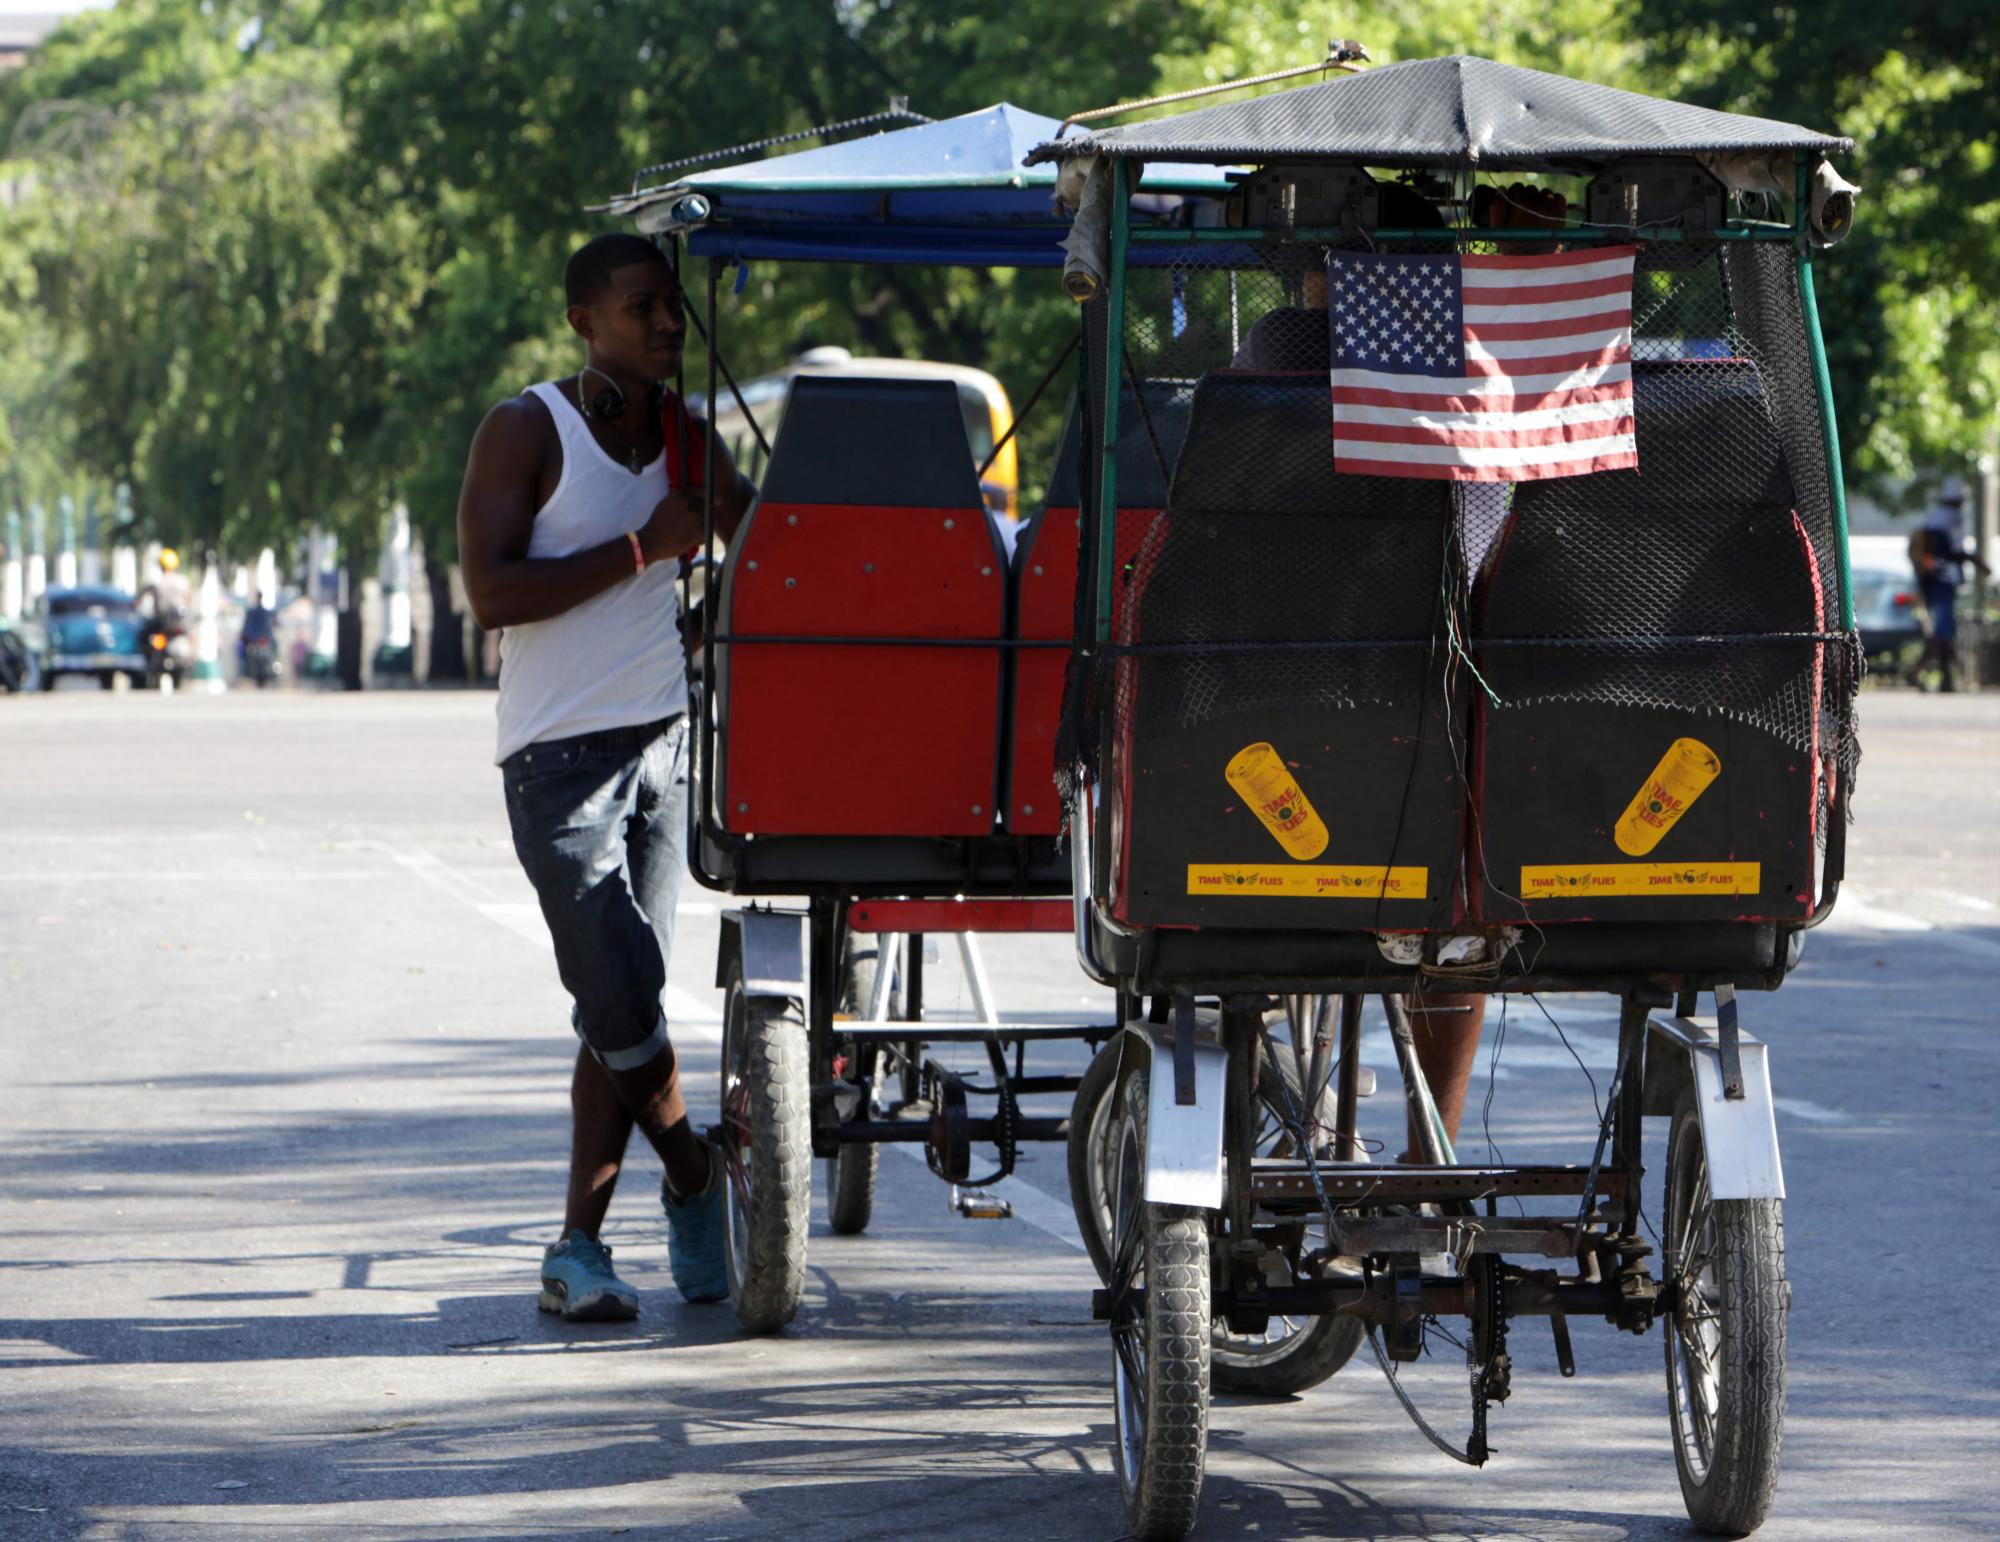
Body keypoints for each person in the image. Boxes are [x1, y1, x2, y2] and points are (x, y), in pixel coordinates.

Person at [456, 232, 757, 1320]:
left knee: (613, 1006)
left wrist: (740, 543)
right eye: (643, 307)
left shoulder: (685, 433)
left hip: (662, 747)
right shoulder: (524, 429)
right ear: (586, 320)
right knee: (624, 993)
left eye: (673, 305)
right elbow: (491, 593)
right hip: (554, 757)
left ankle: (578, 1248)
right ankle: (692, 1175)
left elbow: (755, 536)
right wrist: (642, 548)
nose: (668, 322)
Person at [1907, 476, 1987, 692]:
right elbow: (1958, 551)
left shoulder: (1935, 517)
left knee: (1945, 630)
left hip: (1934, 581)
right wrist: (1981, 565)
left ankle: (1946, 678)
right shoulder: (1951, 518)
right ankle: (1917, 670)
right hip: (1942, 580)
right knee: (1942, 630)